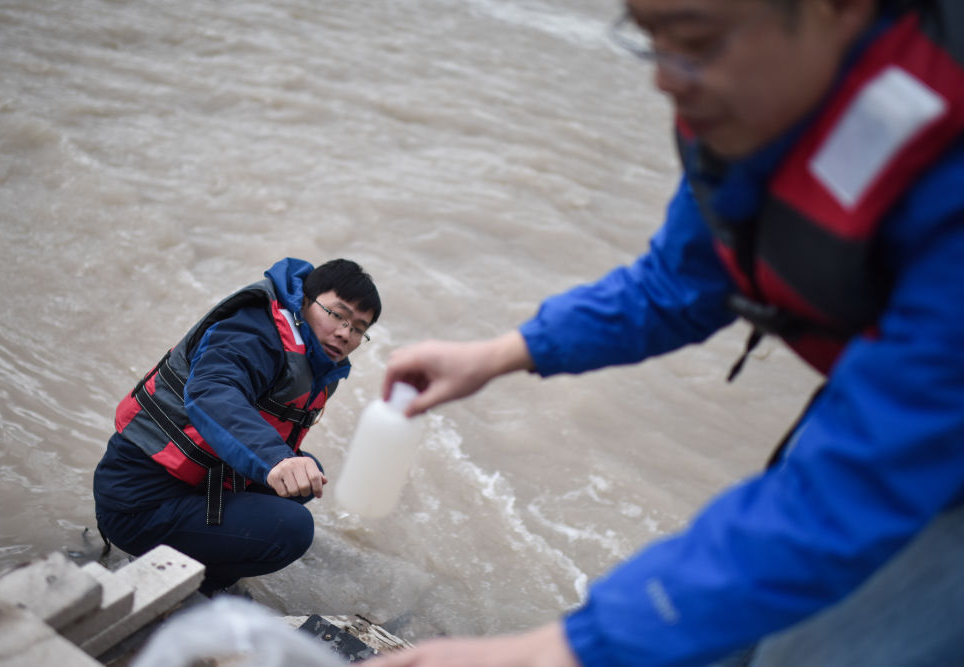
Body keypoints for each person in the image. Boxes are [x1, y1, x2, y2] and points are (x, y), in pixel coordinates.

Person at [371, 0, 964, 665]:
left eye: (696, 42)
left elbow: (858, 483)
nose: (666, 79)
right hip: (886, 409)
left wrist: (551, 648)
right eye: (651, 39)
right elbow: (678, 282)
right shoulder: (756, 118)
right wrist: (500, 353)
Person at [93, 257, 381, 595]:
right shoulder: (251, 333)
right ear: (305, 300)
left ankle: (203, 565)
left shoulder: (312, 357)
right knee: (292, 528)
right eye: (337, 314)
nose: (346, 333)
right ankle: (200, 589)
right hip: (139, 500)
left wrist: (284, 463)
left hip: (195, 484)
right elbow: (212, 394)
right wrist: (277, 459)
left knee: (305, 478)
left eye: (360, 328)